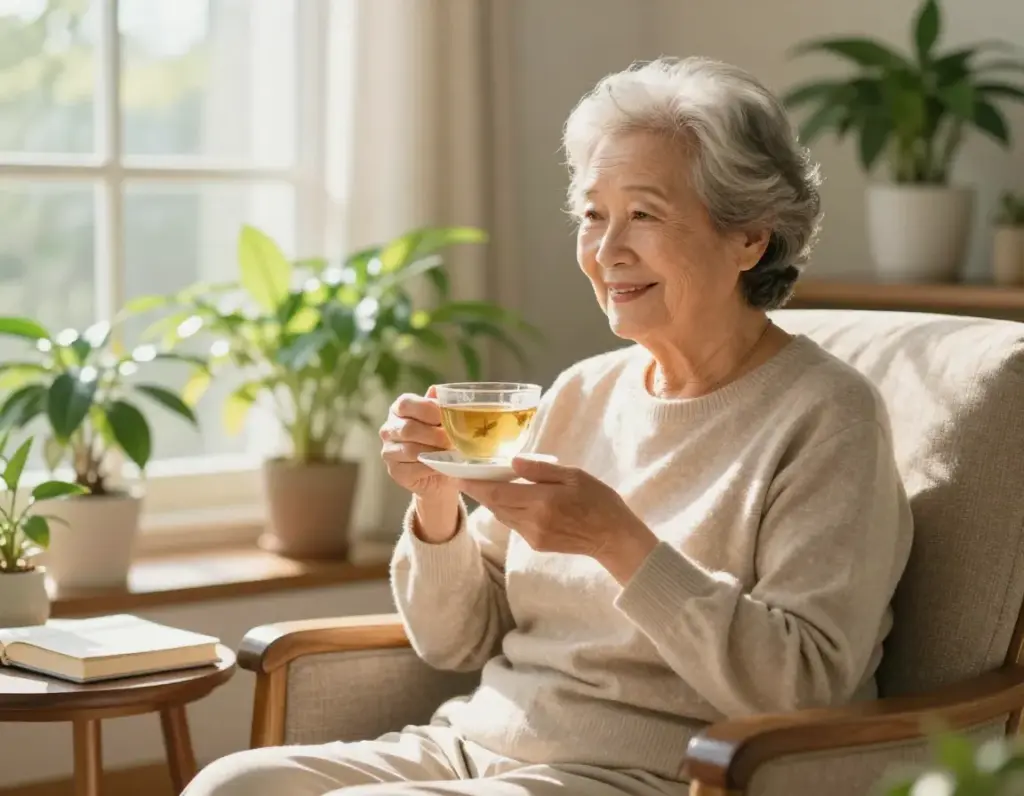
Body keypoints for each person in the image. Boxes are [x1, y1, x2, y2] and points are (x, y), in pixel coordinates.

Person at [183, 56, 913, 796]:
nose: (606, 250)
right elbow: (455, 638)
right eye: (594, 215)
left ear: (749, 239)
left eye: (645, 215)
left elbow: (806, 688)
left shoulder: (828, 417)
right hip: (477, 748)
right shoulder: (581, 392)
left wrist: (619, 541)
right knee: (233, 786)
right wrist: (437, 503)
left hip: (648, 776)